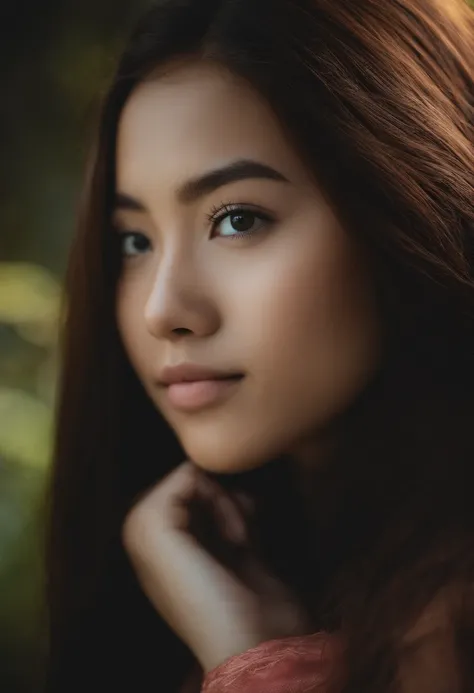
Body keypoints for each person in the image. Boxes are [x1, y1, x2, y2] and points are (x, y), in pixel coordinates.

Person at [44, 0, 474, 691]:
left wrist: (254, 657)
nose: (163, 309)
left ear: (406, 204)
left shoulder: (449, 631)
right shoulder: (220, 559)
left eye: (237, 219)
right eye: (134, 240)